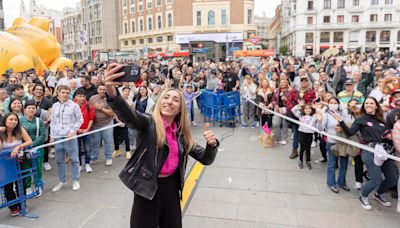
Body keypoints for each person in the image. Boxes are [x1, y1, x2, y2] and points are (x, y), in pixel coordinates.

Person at [103, 63, 218, 228]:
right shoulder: (148, 123)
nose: (169, 102)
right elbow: (128, 114)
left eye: (175, 99)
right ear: (159, 102)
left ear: (180, 108)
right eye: (166, 97)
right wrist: (111, 91)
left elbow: (205, 159)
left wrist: (211, 145)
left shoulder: (181, 135)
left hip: (172, 188)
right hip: (147, 189)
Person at [334, 97, 399, 210]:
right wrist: (341, 121)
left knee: (393, 178)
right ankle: (363, 196)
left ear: (376, 106)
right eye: (366, 103)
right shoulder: (361, 119)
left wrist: (388, 136)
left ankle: (379, 194)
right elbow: (350, 132)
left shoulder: (381, 120)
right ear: (364, 106)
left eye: (371, 103)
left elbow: (384, 136)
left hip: (385, 151)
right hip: (370, 151)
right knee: (375, 179)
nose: (369, 105)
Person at [50, 85, 84, 192]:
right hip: (58, 137)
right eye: (63, 92)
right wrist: (52, 136)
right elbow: (53, 122)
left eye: (67, 93)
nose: (65, 95)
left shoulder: (74, 106)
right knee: (60, 160)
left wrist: (72, 131)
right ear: (58, 93)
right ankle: (62, 180)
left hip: (70, 137)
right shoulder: (54, 105)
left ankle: (75, 180)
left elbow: (80, 120)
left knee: (74, 159)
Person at [316, 97, 352, 194]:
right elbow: (320, 129)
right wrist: (319, 120)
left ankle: (342, 182)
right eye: (331, 103)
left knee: (343, 164)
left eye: (335, 103)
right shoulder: (326, 115)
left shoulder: (343, 113)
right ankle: (331, 183)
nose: (333, 104)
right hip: (332, 142)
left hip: (343, 142)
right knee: (332, 163)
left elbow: (349, 125)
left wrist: (342, 127)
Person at [1, 113, 32, 217]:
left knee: (21, 183)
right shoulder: (1, 133)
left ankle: (22, 203)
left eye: (15, 119)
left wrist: (17, 147)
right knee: (7, 185)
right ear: (5, 120)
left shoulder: (20, 130)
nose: (13, 121)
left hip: (18, 161)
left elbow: (29, 141)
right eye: (11, 119)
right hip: (5, 163)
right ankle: (13, 207)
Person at [19, 100, 46, 197]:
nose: (31, 110)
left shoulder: (39, 120)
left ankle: (38, 186)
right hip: (23, 149)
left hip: (37, 148)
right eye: (29, 108)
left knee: (38, 167)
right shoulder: (19, 120)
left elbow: (43, 135)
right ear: (25, 109)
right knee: (26, 168)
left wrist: (32, 144)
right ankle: (27, 187)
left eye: (33, 108)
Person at [89, 84, 115, 166]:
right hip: (95, 124)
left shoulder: (109, 99)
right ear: (97, 90)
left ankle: (108, 158)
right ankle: (94, 158)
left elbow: (112, 113)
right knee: (95, 142)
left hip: (107, 123)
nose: (102, 91)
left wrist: (101, 108)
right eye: (100, 89)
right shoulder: (92, 98)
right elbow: (89, 109)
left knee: (108, 141)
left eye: (104, 89)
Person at [74, 88, 95, 173]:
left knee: (87, 148)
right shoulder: (72, 106)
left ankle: (87, 163)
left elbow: (91, 119)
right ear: (76, 97)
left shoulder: (88, 106)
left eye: (83, 96)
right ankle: (79, 164)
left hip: (87, 131)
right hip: (76, 132)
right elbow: (71, 120)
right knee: (77, 148)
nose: (82, 98)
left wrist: (87, 129)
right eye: (80, 96)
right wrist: (78, 130)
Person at [292, 101, 317, 170]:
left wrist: (316, 107)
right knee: (302, 148)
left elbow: (320, 112)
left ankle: (308, 161)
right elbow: (293, 110)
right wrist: (298, 105)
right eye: (306, 109)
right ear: (303, 110)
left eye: (309, 109)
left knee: (308, 148)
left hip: (310, 134)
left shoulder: (314, 116)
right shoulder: (300, 115)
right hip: (302, 133)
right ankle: (301, 160)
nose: (308, 110)